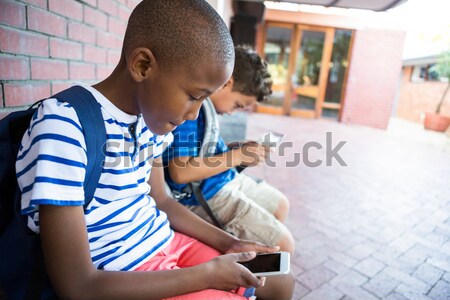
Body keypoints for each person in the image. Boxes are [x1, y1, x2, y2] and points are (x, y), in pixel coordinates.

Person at [15, 1, 295, 299]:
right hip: (125, 274)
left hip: (166, 241)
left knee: (280, 283)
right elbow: (78, 286)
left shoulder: (151, 122)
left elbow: (160, 198)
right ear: (142, 66)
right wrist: (206, 275)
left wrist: (228, 243)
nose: (193, 115)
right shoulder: (65, 124)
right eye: (192, 96)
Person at [163, 45, 295, 255]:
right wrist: (236, 156)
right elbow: (181, 172)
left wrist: (238, 150)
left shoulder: (208, 108)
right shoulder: (191, 110)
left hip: (223, 179)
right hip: (204, 194)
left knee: (280, 205)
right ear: (227, 82)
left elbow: (205, 150)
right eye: (237, 104)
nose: (234, 113)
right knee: (285, 246)